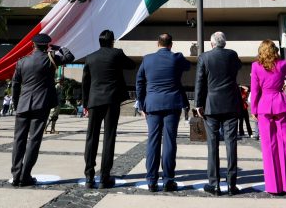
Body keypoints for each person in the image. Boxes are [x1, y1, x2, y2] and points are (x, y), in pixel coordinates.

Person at [11, 33, 74, 187]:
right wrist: (60, 48)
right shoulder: (50, 59)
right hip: (41, 105)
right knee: (34, 140)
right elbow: (70, 57)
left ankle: (16, 175)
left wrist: (17, 103)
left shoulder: (22, 62)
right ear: (47, 46)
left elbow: (15, 85)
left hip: (23, 105)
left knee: (19, 140)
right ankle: (25, 176)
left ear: (33, 44)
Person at [135, 33, 191, 192]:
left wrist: (142, 104)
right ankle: (168, 179)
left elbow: (139, 82)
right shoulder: (176, 58)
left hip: (152, 104)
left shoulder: (147, 59)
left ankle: (152, 180)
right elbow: (187, 66)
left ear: (157, 44)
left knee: (152, 141)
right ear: (171, 45)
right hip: (172, 104)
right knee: (169, 141)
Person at [82, 29, 135, 189]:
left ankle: (89, 177)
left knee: (91, 138)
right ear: (112, 41)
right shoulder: (117, 54)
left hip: (94, 101)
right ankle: (105, 177)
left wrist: (85, 104)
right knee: (109, 138)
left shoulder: (90, 57)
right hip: (112, 100)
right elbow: (131, 65)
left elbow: (85, 82)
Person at [194, 31, 242, 196]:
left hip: (211, 105)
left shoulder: (204, 57)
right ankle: (231, 184)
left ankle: (214, 184)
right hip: (230, 103)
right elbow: (238, 67)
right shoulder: (232, 55)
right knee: (231, 144)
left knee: (212, 145)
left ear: (212, 43)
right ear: (224, 43)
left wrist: (198, 104)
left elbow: (200, 81)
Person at [251, 40, 286, 195]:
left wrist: (254, 109)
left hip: (264, 105)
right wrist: (281, 58)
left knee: (268, 146)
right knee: (285, 144)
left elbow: (255, 90)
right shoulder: (282, 64)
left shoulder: (256, 66)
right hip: (279, 103)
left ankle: (273, 186)